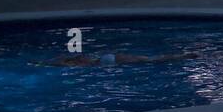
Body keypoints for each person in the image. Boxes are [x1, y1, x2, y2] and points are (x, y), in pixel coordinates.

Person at [42, 51, 196, 67]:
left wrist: (43, 63)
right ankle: (181, 56)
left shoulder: (76, 64)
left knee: (151, 60)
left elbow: (59, 62)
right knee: (150, 59)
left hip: (109, 61)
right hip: (110, 57)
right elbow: (61, 58)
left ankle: (183, 56)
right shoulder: (79, 58)